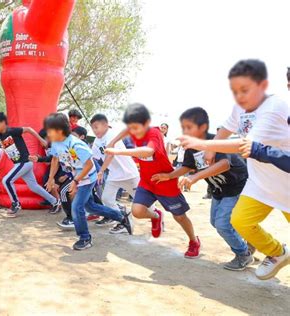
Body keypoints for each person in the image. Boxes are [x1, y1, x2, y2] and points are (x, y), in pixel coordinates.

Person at [179, 59, 290, 280]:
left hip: (286, 182)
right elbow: (228, 127)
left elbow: (246, 145)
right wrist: (211, 149)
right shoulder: (240, 106)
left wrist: (203, 145)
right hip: (260, 183)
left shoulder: (274, 107)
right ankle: (278, 253)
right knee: (239, 221)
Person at [153, 107, 252, 270]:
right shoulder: (191, 148)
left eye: (189, 127)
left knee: (222, 224)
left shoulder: (216, 142)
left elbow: (224, 164)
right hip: (219, 190)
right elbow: (187, 166)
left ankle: (243, 254)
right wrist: (169, 176)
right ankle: (250, 241)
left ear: (203, 127)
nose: (185, 131)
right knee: (215, 221)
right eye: (183, 127)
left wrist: (195, 177)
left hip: (237, 186)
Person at [106, 103, 200, 258]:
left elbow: (148, 151)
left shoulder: (154, 133)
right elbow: (125, 131)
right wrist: (113, 141)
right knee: (137, 211)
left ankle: (193, 241)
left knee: (180, 216)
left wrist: (118, 151)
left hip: (164, 181)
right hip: (147, 181)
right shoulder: (134, 130)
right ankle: (157, 216)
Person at [45, 113, 132, 250]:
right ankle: (121, 217)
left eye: (50, 130)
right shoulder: (56, 144)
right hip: (77, 176)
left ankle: (85, 238)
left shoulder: (76, 144)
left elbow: (89, 165)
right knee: (90, 207)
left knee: (77, 206)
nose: (48, 133)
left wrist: (75, 181)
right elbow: (55, 159)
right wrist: (50, 178)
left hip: (87, 177)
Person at [0, 112, 61, 217]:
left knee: (7, 180)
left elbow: (29, 129)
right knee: (33, 187)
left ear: (3, 123)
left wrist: (41, 140)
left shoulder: (12, 131)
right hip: (21, 165)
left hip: (24, 162)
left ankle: (16, 203)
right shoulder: (0, 137)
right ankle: (55, 202)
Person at [91, 113, 151, 234]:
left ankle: (157, 216)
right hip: (114, 175)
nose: (94, 130)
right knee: (106, 199)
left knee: (143, 202)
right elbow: (94, 157)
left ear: (106, 125)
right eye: (92, 128)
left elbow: (110, 155)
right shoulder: (97, 142)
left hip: (129, 174)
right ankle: (124, 219)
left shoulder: (112, 136)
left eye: (96, 127)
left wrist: (102, 170)